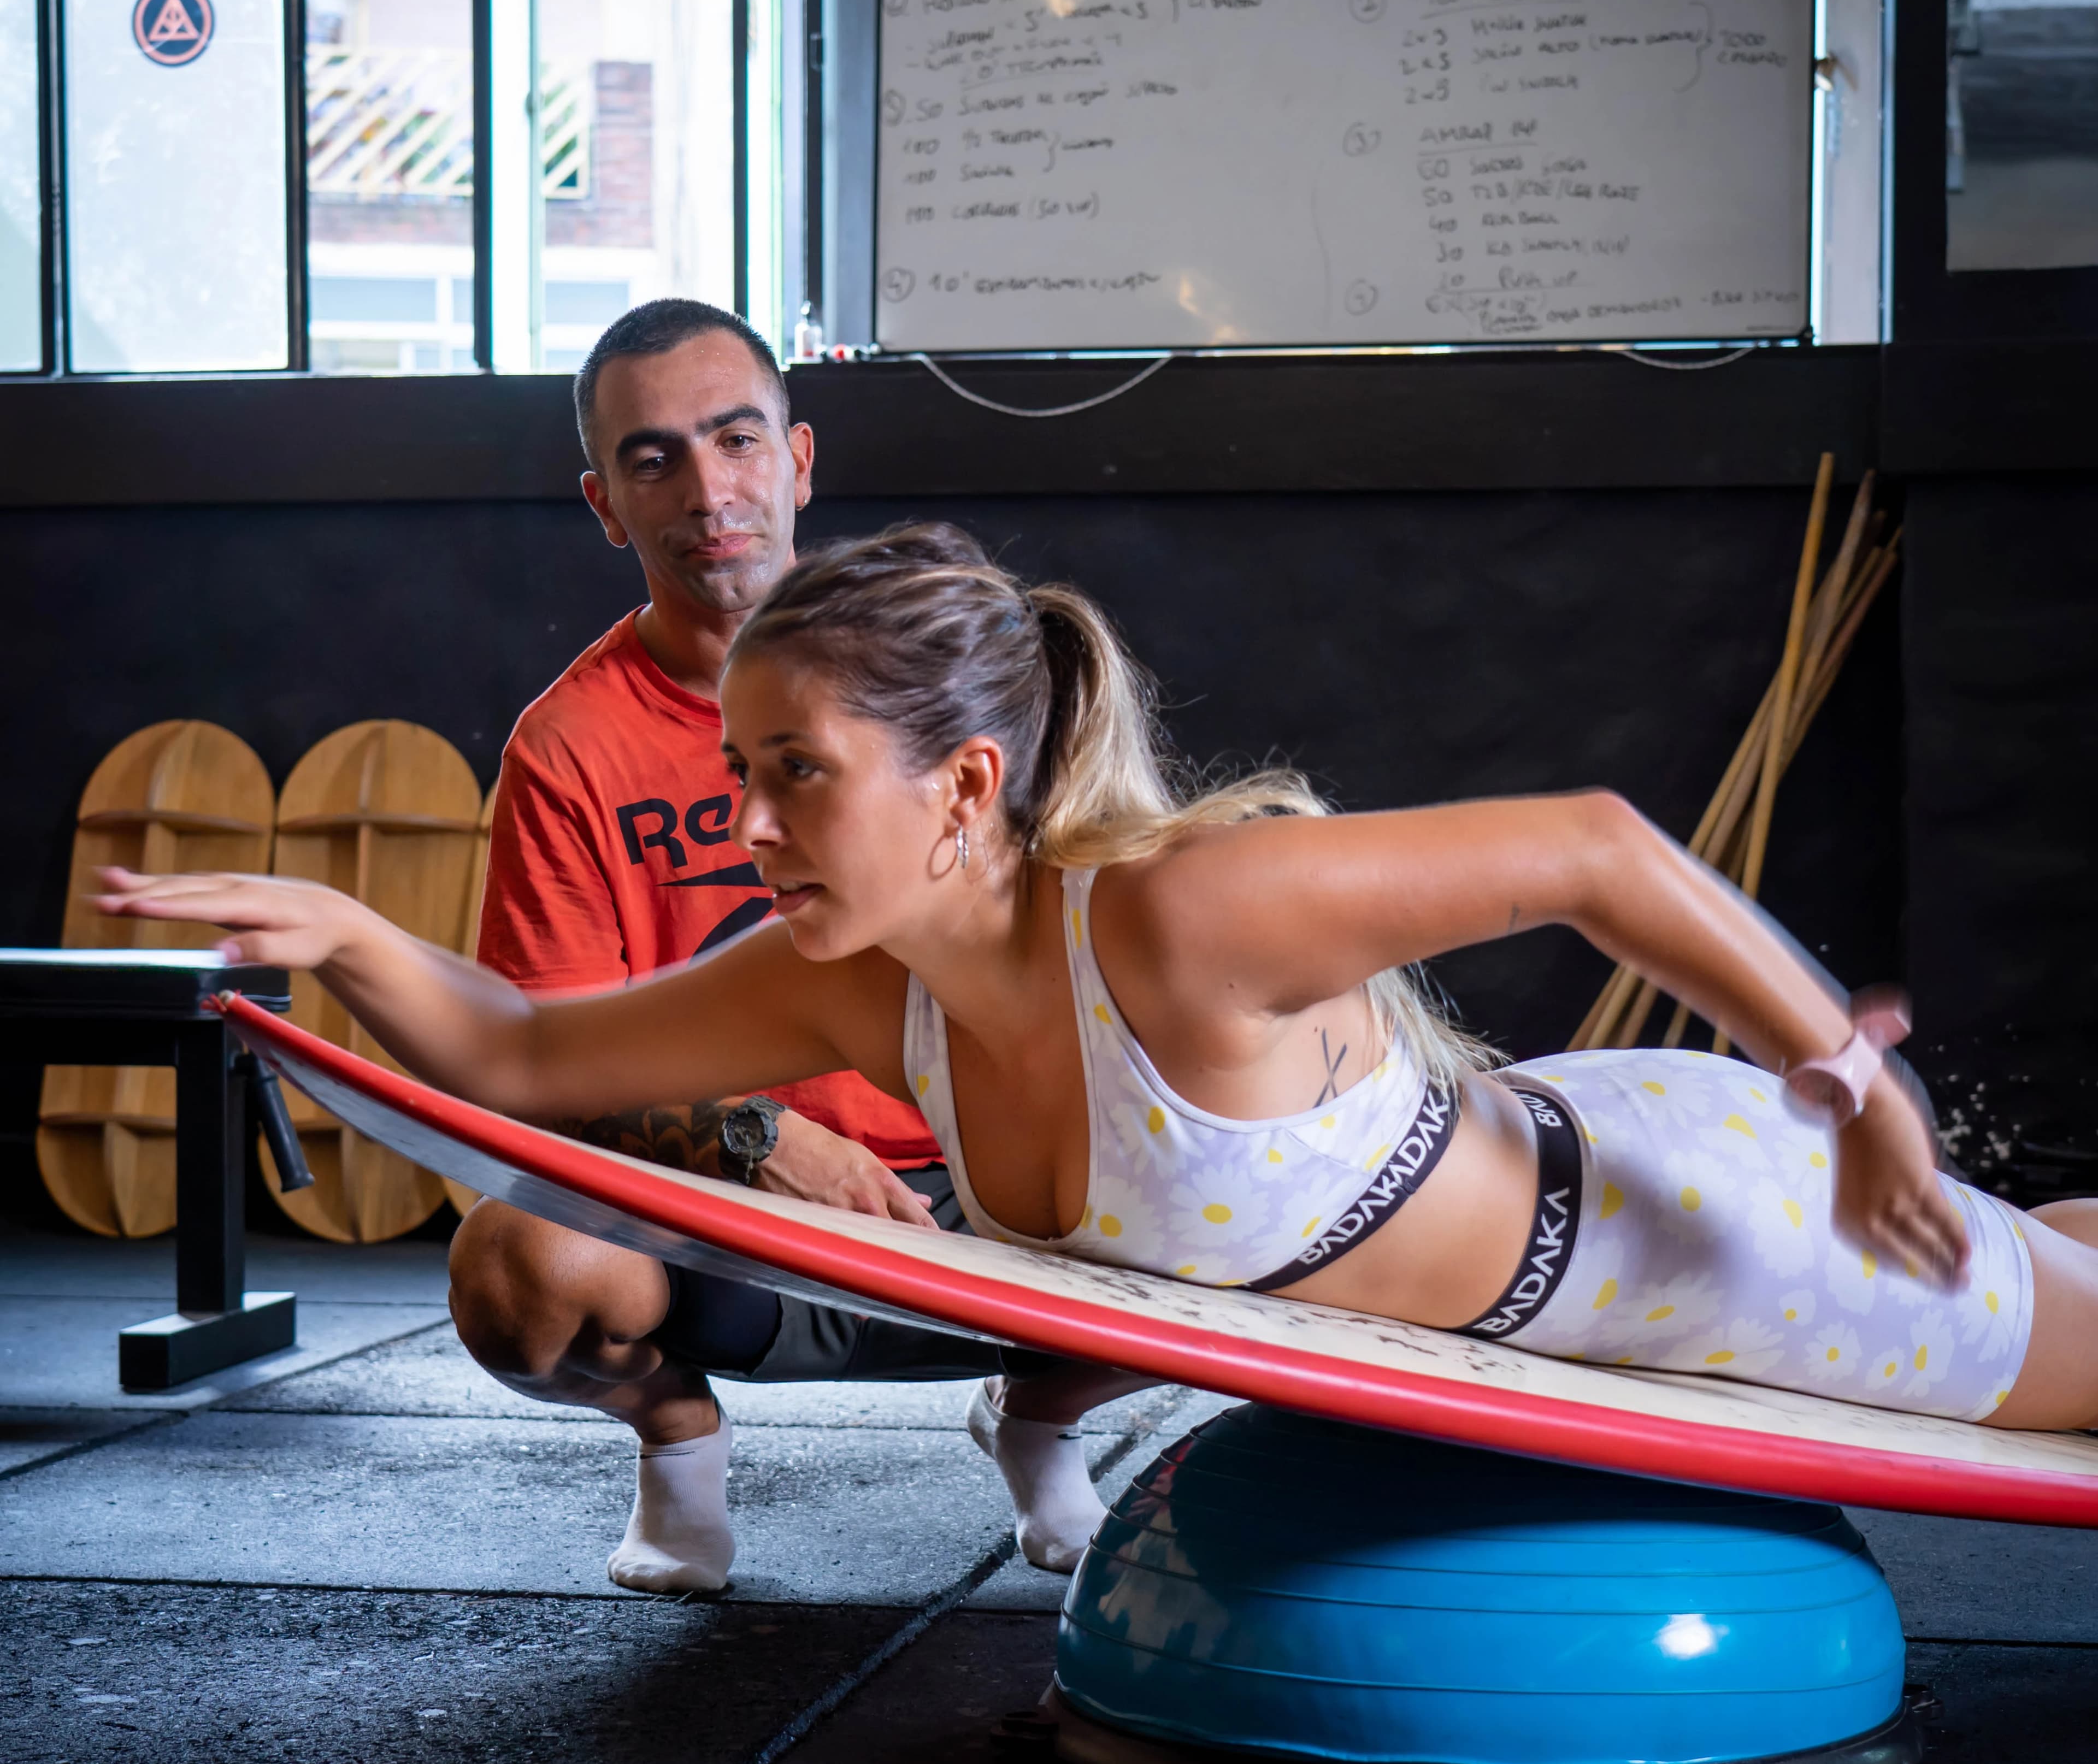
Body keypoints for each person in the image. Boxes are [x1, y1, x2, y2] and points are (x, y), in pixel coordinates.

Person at [96, 526, 2098, 1445]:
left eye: (798, 776)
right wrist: (346, 934)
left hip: (1710, 1242)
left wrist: (1861, 1095)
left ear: (967, 786)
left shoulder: (1173, 919)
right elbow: (528, 1052)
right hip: (1568, 1270)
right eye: (738, 775)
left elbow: (1596, 845)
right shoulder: (847, 988)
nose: (753, 827)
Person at [449, 309, 1109, 1596]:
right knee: (521, 1270)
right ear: (605, 503)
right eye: (654, 459)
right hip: (728, 1219)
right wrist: (760, 1137)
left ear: (798, 459)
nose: (708, 492)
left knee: (1262, 1194)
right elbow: (544, 1064)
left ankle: (1043, 1411)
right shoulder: (571, 746)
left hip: (999, 1195)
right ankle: (677, 1439)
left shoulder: (951, 677)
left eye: (737, 439)